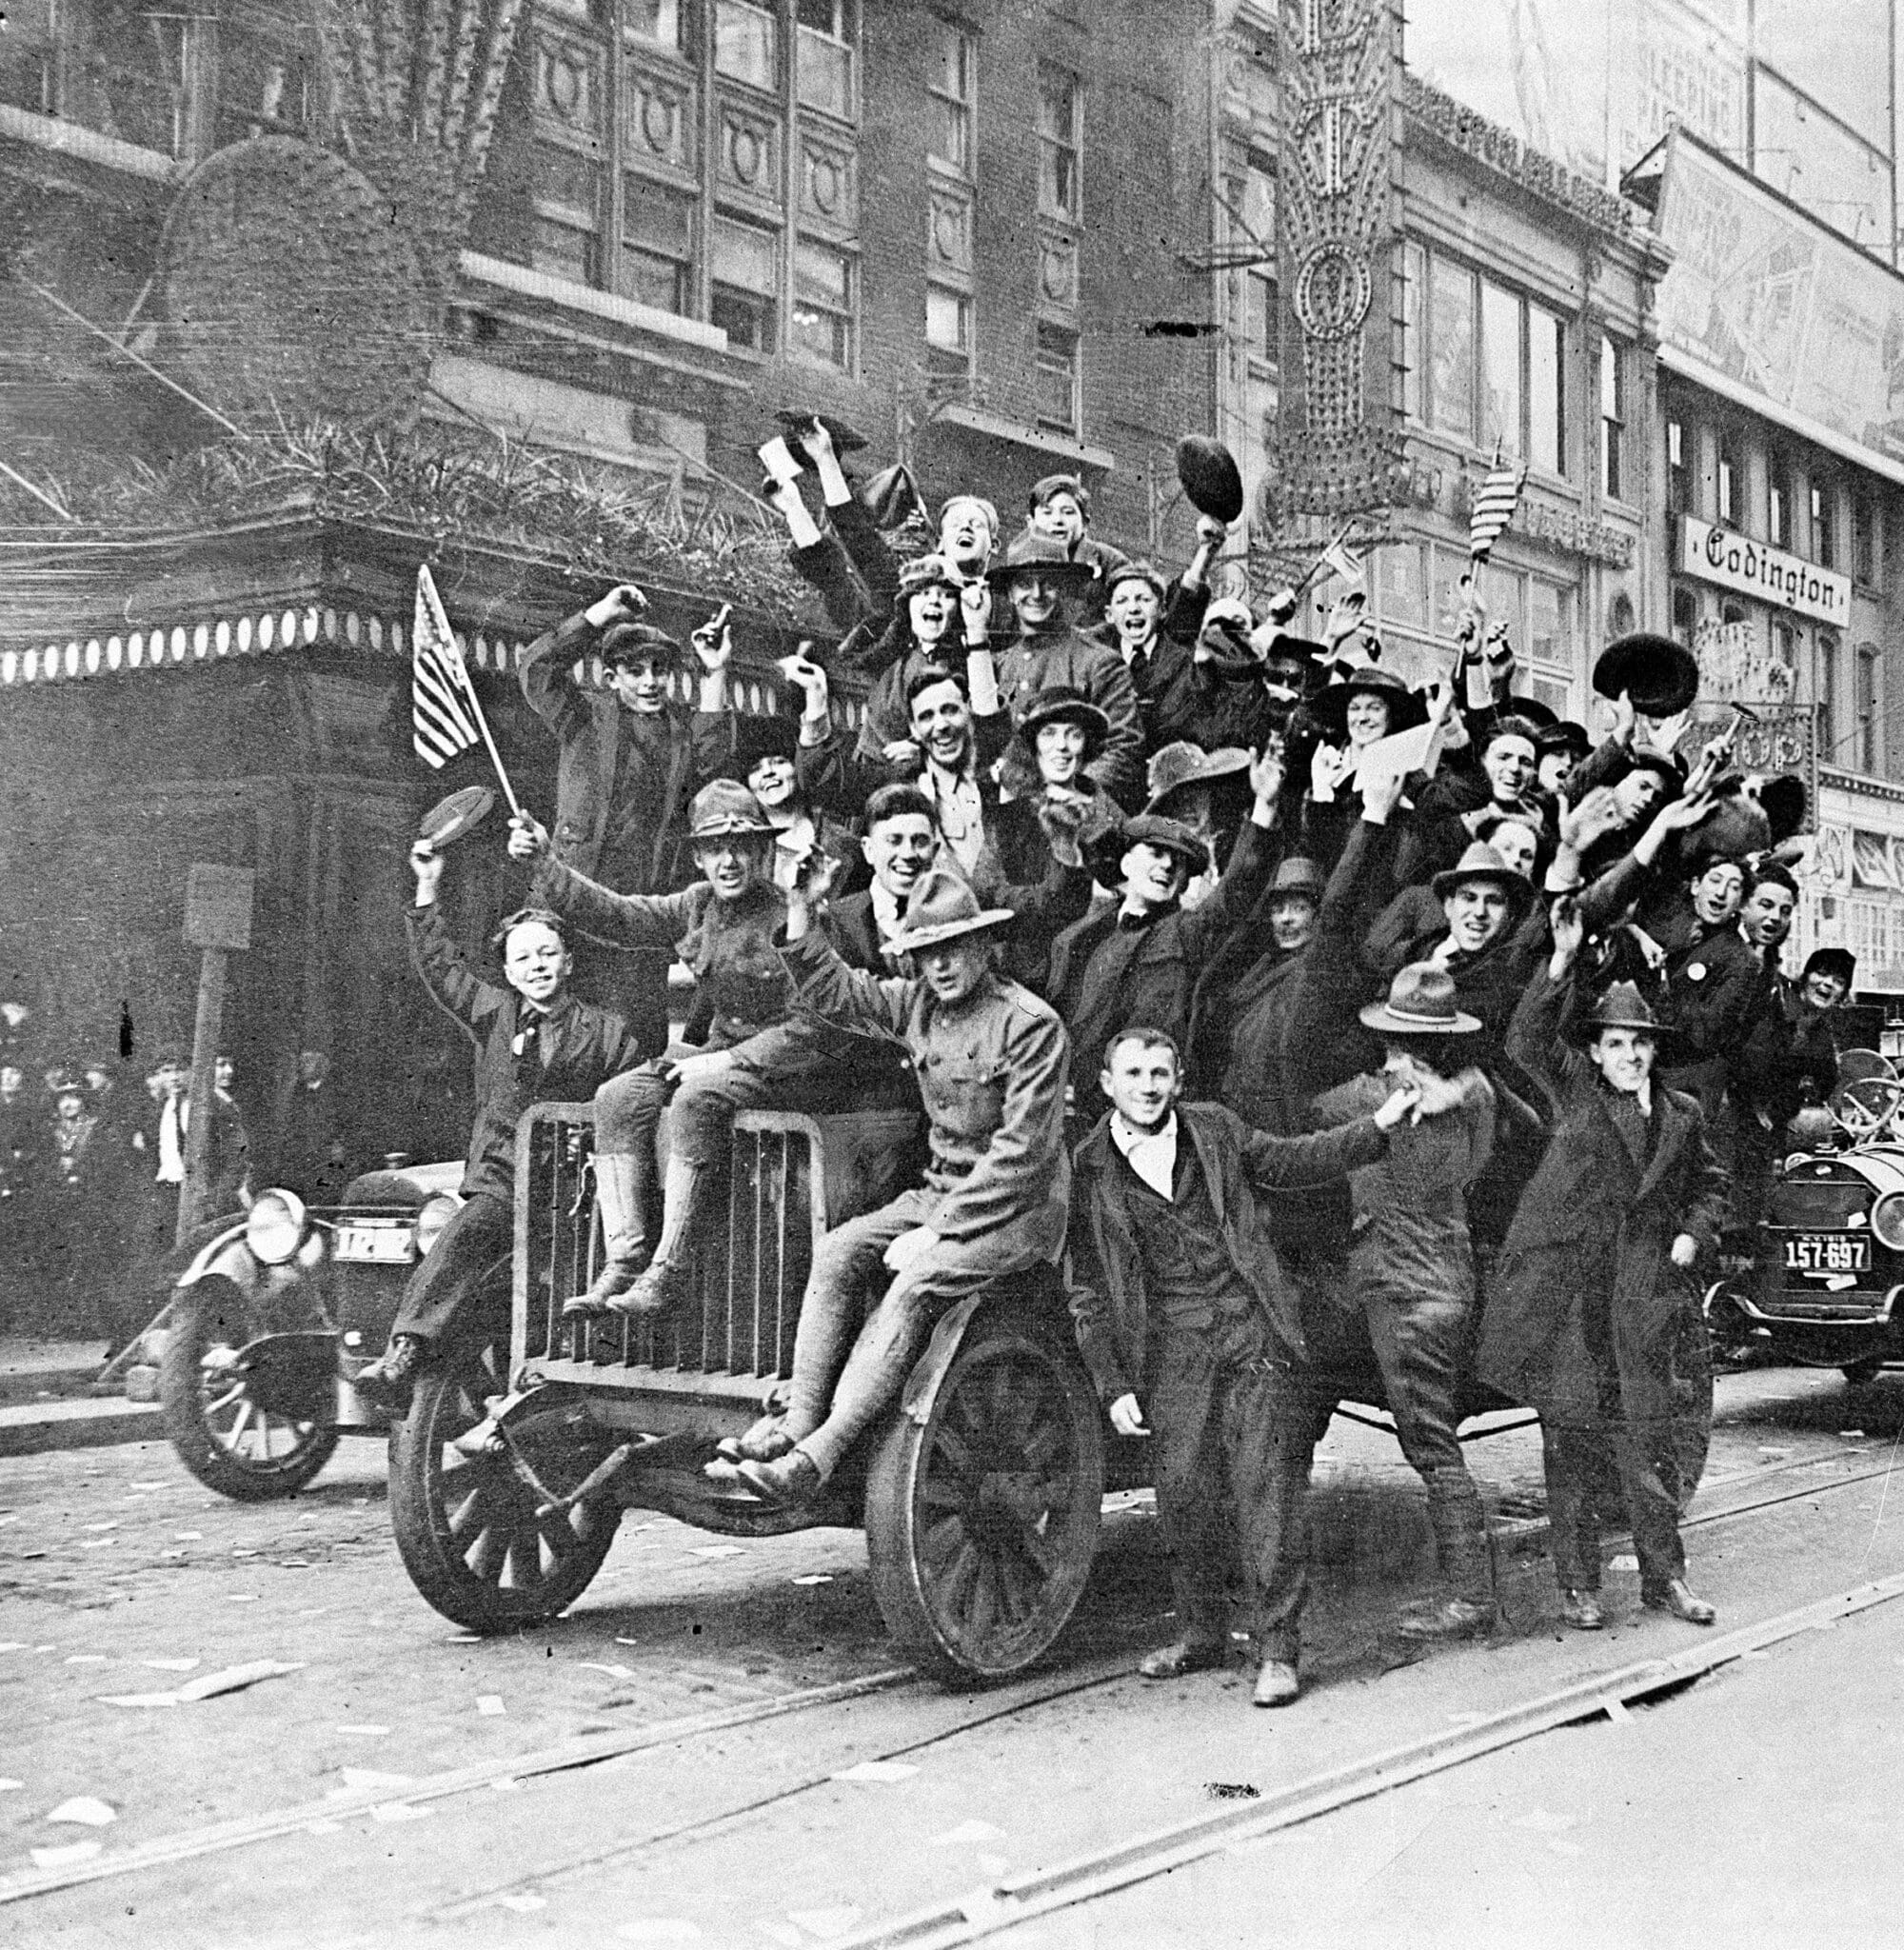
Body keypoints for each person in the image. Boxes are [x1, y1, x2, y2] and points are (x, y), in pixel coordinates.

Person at [1066, 1027, 1436, 1705]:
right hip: (1172, 1350)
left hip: (1250, 1331)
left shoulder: (1215, 1131)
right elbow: (1086, 1288)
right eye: (1134, 1073)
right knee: (1182, 1496)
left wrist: (1376, 1126)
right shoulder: (1088, 1166)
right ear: (1107, 1084)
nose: (1148, 1085)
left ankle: (1277, 1651)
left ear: (1178, 1081)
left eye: (1160, 1073)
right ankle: (1202, 1633)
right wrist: (1111, 1381)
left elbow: (1298, 1160)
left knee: (1266, 1491)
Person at [717, 864, 1072, 1507]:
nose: (940, 967)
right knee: (838, 1252)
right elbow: (838, 992)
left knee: (912, 1287)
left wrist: (937, 1231)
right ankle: (798, 1418)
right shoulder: (917, 1005)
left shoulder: (1030, 1025)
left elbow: (1023, 1155)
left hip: (1017, 1215)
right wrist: (800, 908)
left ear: (984, 947)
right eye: (926, 954)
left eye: (953, 950)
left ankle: (817, 1457)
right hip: (939, 1194)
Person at [511, 780, 910, 1319]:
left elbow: (817, 1024)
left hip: (791, 1064)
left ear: (764, 851)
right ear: (698, 856)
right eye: (715, 848)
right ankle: (624, 1261)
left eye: (743, 846)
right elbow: (617, 914)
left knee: (697, 1098)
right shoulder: (695, 906)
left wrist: (726, 1060)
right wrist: (546, 864)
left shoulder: (792, 912)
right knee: (618, 1096)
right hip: (722, 1054)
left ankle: (667, 1271)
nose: (730, 860)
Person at [1482, 898, 1730, 1630]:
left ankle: (1667, 1579)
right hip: (1575, 1299)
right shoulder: (1576, 1095)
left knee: (1648, 1438)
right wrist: (1559, 961)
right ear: (1594, 1051)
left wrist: (1694, 1232)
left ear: (1654, 1051)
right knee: (1571, 1440)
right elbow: (1525, 1037)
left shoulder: (1682, 1114)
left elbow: (1713, 1185)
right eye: (1616, 1044)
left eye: (1640, 1045)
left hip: (1645, 1294)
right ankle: (1579, 1585)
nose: (1629, 1056)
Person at [353, 837, 643, 1410]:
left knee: (561, 1291)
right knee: (465, 1236)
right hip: (504, 1180)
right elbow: (440, 964)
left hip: (577, 1191)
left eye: (547, 954)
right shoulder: (494, 1014)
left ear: (568, 960)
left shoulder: (609, 1033)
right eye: (524, 959)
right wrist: (428, 884)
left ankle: (554, 1384)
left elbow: (632, 1103)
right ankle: (407, 1349)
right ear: (508, 973)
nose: (537, 967)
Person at [520, 581, 733, 1053]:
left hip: (643, 914)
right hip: (574, 900)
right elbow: (537, 670)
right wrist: (601, 612)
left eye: (659, 670)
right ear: (611, 678)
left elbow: (713, 760)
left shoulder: (679, 730)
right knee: (566, 1031)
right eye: (634, 671)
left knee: (638, 1037)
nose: (650, 681)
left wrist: (714, 673)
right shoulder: (584, 718)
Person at [1048, 747, 1287, 1113]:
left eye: (1179, 863)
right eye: (1157, 853)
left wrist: (1264, 808)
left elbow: (1236, 891)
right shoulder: (1081, 937)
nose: (1167, 866)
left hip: (1154, 1106)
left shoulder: (1186, 932)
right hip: (1084, 1107)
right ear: (1126, 862)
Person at [982, 531, 1144, 806]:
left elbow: (1124, 747)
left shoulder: (1098, 662)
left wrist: (1072, 793)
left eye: (1048, 583)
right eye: (1024, 584)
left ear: (1065, 588)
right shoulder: (998, 665)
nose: (1036, 594)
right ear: (1010, 593)